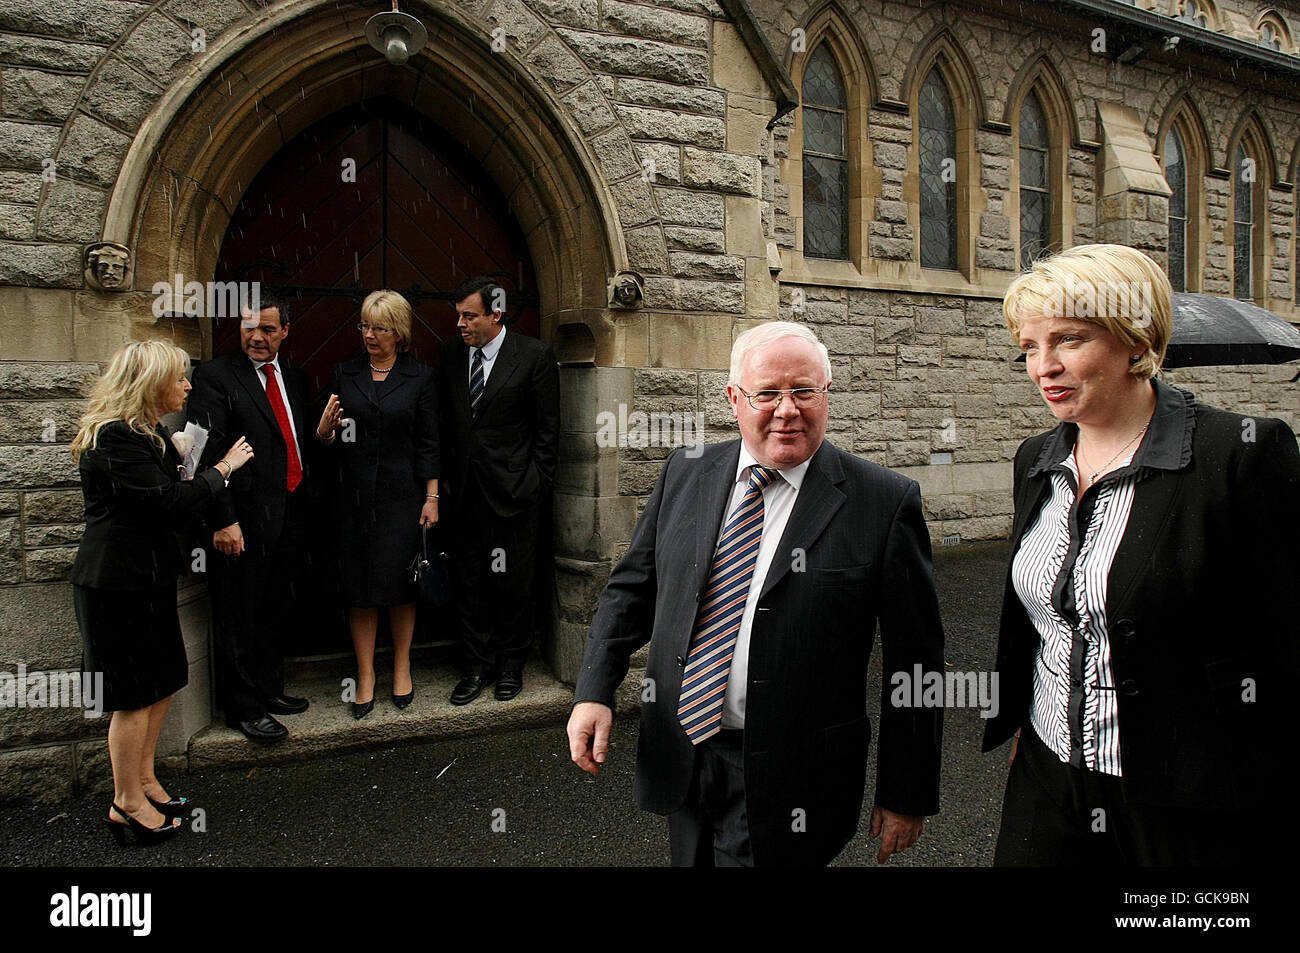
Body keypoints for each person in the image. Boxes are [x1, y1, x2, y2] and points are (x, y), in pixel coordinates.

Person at [567, 322, 946, 867]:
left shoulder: (882, 503)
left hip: (796, 775)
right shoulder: (687, 470)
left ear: (827, 395)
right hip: (685, 752)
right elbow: (633, 588)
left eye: (804, 391)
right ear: (734, 398)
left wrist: (905, 792)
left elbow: (915, 660)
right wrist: (593, 689)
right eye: (767, 392)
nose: (787, 409)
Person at [983, 243, 1300, 866]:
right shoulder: (1035, 460)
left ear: (1136, 340)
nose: (1043, 366)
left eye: (1070, 340)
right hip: (1049, 775)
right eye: (1029, 347)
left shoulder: (1239, 455)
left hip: (1188, 794)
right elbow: (1043, 621)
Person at [69, 341, 254, 844]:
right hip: (116, 583)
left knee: (164, 678)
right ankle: (125, 803)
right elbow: (167, 502)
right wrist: (223, 469)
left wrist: (179, 460)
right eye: (179, 378)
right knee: (133, 695)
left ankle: (145, 778)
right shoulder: (114, 438)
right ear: (151, 384)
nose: (188, 387)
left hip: (147, 577)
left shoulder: (146, 434)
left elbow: (160, 494)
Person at [187, 293, 314, 742]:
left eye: (266, 329)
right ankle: (243, 708)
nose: (256, 337)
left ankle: (268, 689)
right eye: (248, 328)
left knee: (276, 607)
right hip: (240, 518)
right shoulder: (214, 377)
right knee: (239, 612)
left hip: (290, 512)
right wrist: (222, 519)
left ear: (284, 332)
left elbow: (292, 443)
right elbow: (200, 454)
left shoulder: (295, 379)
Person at [316, 290, 439, 718]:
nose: (370, 335)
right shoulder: (343, 373)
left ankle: (402, 666)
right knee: (360, 589)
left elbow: (428, 441)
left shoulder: (420, 377)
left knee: (402, 585)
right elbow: (329, 442)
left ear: (399, 332)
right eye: (365, 326)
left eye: (380, 328)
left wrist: (432, 496)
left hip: (402, 499)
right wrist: (326, 433)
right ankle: (365, 674)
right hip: (353, 498)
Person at [439, 275, 559, 704]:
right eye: (458, 316)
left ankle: (511, 665)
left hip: (515, 498)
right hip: (465, 496)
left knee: (513, 584)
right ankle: (476, 667)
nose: (460, 324)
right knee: (470, 584)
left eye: (468, 316)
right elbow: (446, 425)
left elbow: (548, 432)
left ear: (496, 313)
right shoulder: (452, 355)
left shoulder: (532, 355)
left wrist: (534, 485)